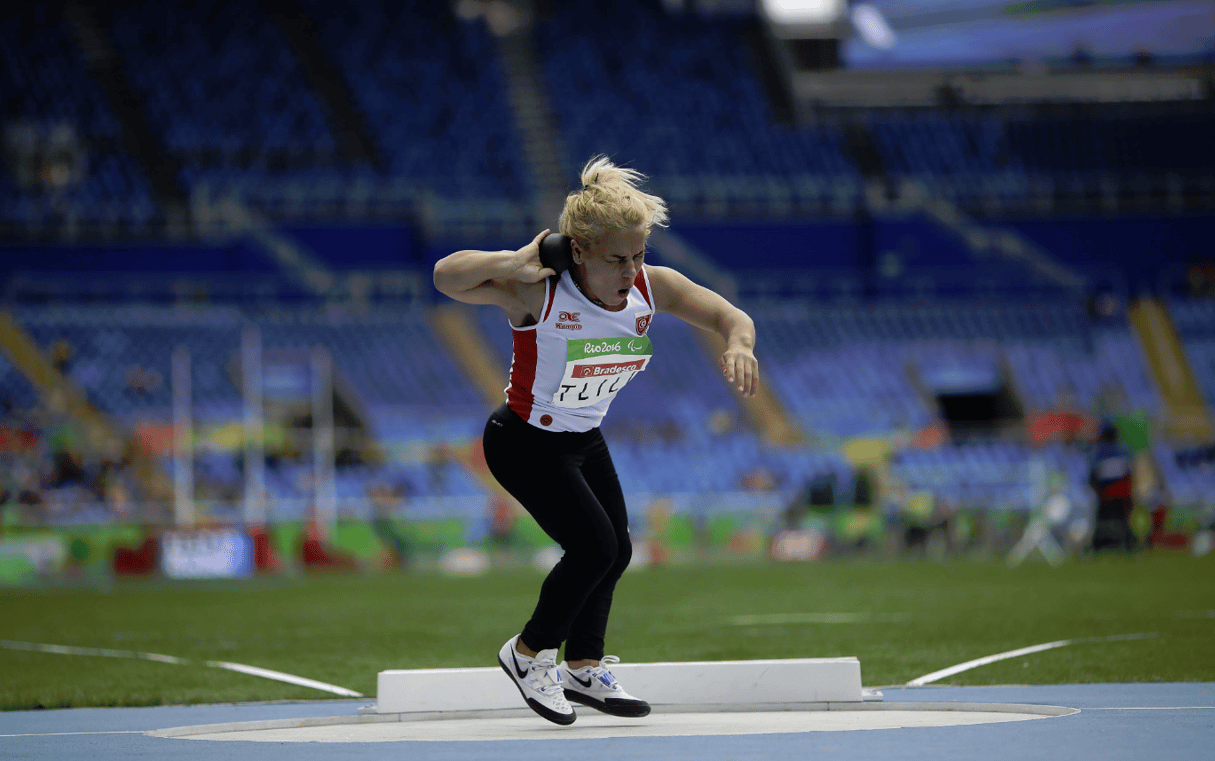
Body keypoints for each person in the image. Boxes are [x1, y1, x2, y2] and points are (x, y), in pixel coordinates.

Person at [432, 156, 758, 725]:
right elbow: (445, 276)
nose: (632, 270)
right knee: (594, 550)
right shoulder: (540, 293)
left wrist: (740, 345)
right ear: (577, 250)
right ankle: (528, 654)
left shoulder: (652, 289)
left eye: (639, 255)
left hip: (584, 439)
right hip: (523, 440)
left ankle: (583, 667)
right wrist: (514, 260)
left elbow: (730, 314)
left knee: (617, 551)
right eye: (617, 258)